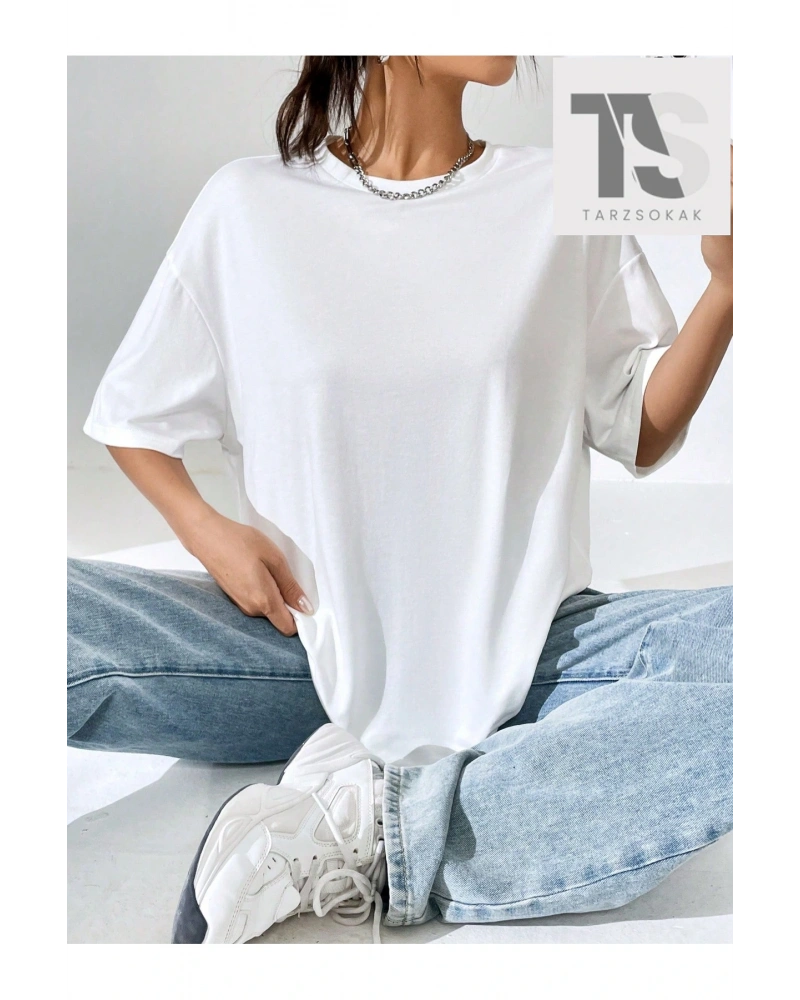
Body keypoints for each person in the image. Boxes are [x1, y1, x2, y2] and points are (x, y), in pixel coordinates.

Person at [66, 56, 736, 945]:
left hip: (523, 654)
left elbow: (637, 431)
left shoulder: (557, 192)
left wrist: (730, 289)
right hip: (298, 644)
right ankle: (415, 808)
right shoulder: (248, 204)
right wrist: (205, 529)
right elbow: (132, 417)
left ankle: (374, 832)